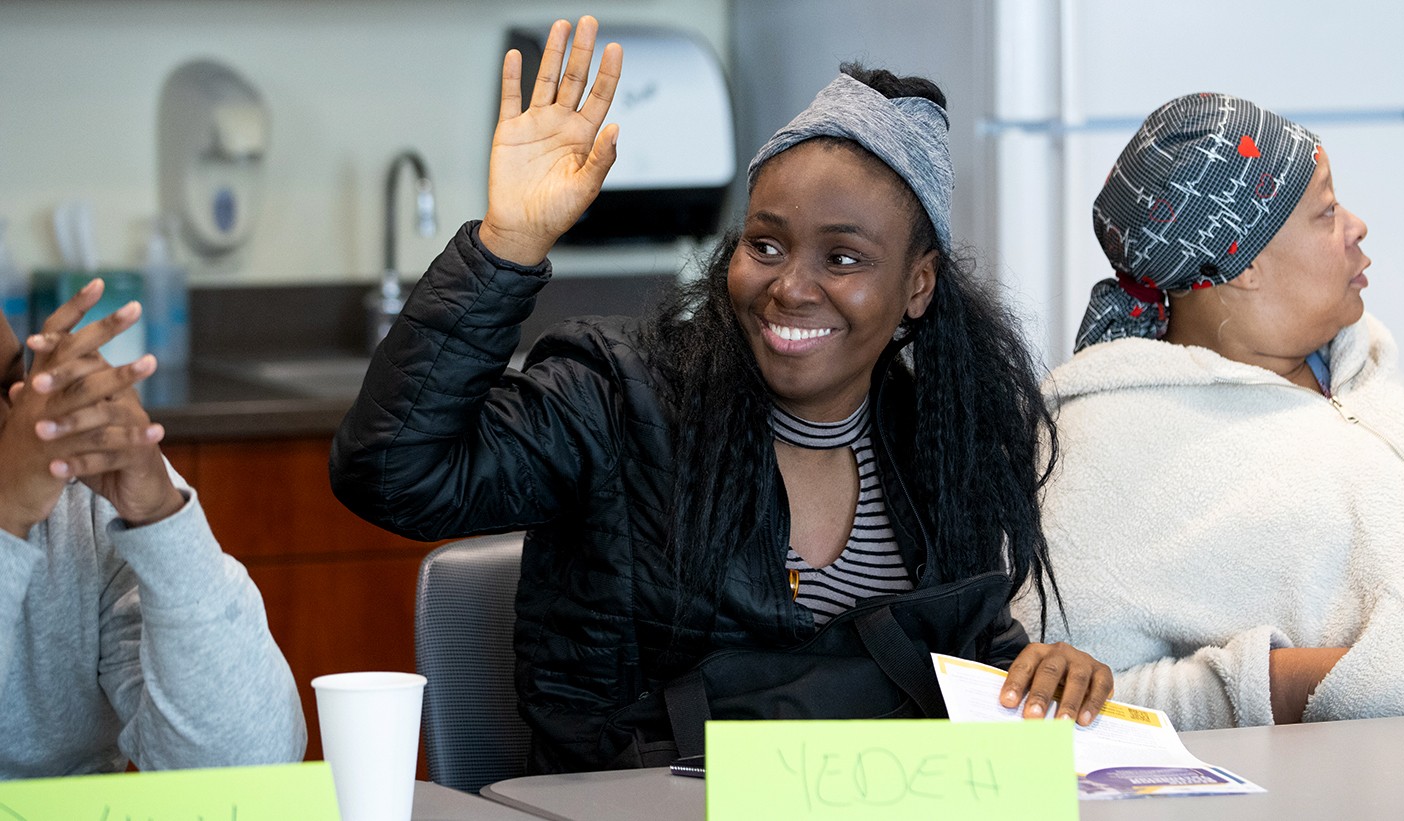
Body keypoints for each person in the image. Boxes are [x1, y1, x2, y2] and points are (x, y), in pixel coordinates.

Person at [331, 16, 1112, 774]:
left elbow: (962, 648)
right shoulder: (617, 400)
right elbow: (394, 471)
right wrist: (507, 245)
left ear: (917, 285)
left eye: (843, 258)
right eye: (765, 245)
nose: (791, 287)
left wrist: (1040, 672)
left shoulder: (942, 441)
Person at [1014, 92, 1404, 731]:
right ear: (1245, 262)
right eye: (1327, 212)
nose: (1356, 226)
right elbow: (1063, 702)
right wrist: (1287, 683)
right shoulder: (1105, 454)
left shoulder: (1366, 372)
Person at [0, 279, 305, 778]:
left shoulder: (78, 502)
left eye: (12, 385)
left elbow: (250, 769)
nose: (19, 424)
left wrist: (160, 517)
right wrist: (5, 515)